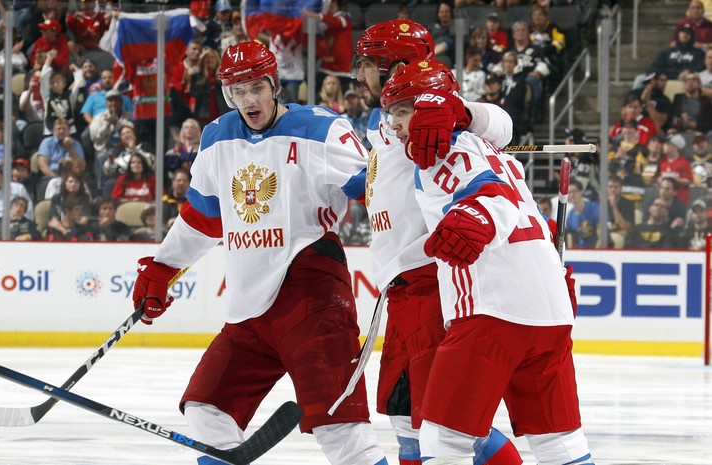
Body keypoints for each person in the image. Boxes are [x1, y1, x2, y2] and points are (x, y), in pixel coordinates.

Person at [131, 41, 389, 465]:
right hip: (249, 310)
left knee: (341, 431)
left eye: (256, 87)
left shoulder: (322, 128)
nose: (248, 100)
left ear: (274, 84)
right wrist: (162, 267)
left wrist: (386, 172)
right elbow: (202, 216)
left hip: (312, 296)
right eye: (237, 91)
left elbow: (374, 188)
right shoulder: (216, 138)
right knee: (206, 411)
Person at [380, 59, 592, 465]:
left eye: (404, 111)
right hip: (550, 310)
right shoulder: (497, 151)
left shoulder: (442, 152)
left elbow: (495, 200)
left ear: (432, 107)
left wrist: (477, 219)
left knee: (444, 441)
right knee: (559, 442)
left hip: (491, 310)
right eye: (394, 114)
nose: (398, 125)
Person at [351, 21, 520, 465]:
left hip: (433, 286)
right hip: (402, 294)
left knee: (450, 427)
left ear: (396, 68)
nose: (359, 75)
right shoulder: (385, 123)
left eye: (368, 65)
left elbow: (500, 125)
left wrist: (458, 113)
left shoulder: (435, 116)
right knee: (406, 419)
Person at [91, 90, 132, 189]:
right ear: (106, 103)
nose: (113, 103)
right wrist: (107, 125)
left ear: (121, 102)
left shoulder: (128, 115)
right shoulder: (99, 117)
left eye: (116, 100)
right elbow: (94, 137)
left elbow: (132, 130)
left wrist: (117, 123)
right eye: (110, 100)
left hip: (124, 149)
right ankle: (102, 189)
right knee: (101, 157)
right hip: (105, 149)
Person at [102, 125, 155, 196]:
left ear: (135, 135)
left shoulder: (145, 147)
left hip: (142, 177)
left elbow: (150, 162)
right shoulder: (117, 151)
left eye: (128, 132)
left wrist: (134, 149)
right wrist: (111, 161)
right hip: (122, 178)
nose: (126, 135)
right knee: (109, 183)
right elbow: (110, 171)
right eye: (123, 134)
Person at [657, 140, 694, 206]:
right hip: (663, 202)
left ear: (676, 146)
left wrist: (671, 180)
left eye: (667, 144)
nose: (664, 146)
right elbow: (657, 177)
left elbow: (689, 180)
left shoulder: (684, 162)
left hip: (680, 200)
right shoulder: (662, 161)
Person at [606, 174, 636, 248]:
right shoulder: (600, 203)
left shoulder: (628, 204)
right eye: (610, 187)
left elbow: (626, 228)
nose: (613, 190)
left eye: (616, 187)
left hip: (621, 236)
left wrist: (614, 207)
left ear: (621, 189)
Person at [161, 168, 190, 234]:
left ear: (189, 183)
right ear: (173, 182)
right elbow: (159, 223)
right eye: (179, 180)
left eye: (184, 181)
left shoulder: (194, 203)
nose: (181, 183)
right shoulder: (164, 201)